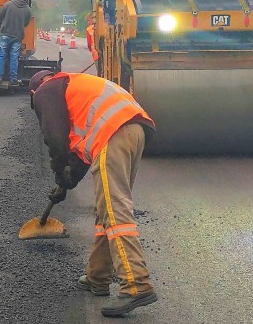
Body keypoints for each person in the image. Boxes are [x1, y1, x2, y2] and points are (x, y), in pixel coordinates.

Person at [28, 70, 158, 318]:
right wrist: (65, 184)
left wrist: (58, 170)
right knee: (104, 208)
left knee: (115, 210)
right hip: (133, 130)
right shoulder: (72, 87)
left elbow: (56, 139)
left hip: (114, 134)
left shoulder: (45, 90)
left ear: (34, 91)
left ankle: (136, 284)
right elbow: (79, 154)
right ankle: (97, 277)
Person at [0, 0, 32, 86]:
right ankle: (13, 79)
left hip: (5, 34)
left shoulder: (8, 4)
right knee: (14, 57)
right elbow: (26, 23)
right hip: (17, 36)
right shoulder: (28, 9)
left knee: (1, 55)